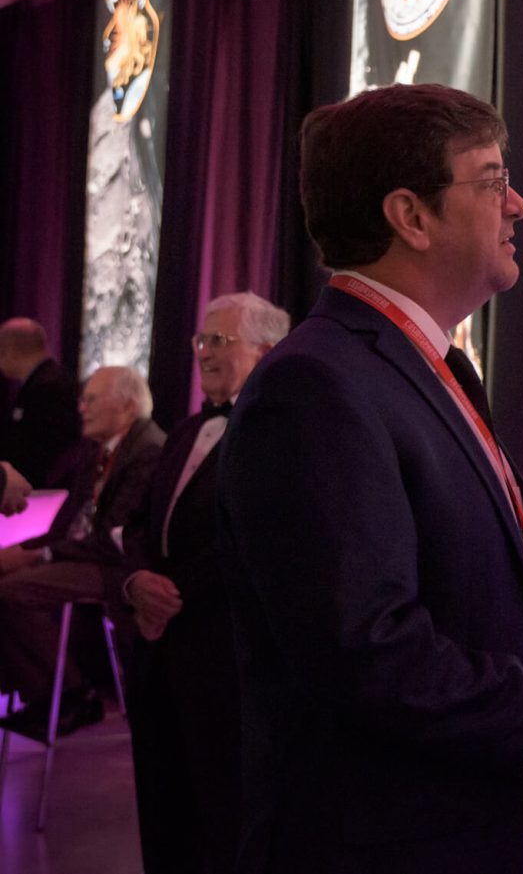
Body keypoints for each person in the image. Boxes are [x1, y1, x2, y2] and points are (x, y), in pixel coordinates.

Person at [217, 83, 523, 874]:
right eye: (491, 179)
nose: (517, 203)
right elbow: (371, 652)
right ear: (411, 216)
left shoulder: (428, 366)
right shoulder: (311, 388)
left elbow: (507, 606)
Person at [121, 291, 290, 874]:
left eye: (220, 340)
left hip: (224, 660)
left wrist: (172, 595)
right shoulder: (184, 430)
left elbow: (254, 538)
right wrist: (136, 581)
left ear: (265, 352)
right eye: (201, 340)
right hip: (157, 655)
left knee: (222, 816)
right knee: (161, 810)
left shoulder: (277, 431)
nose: (204, 352)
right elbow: (137, 522)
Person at [0, 366, 164, 737]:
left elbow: (116, 540)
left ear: (126, 405)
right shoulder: (98, 451)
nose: (81, 408)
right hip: (83, 555)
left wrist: (40, 555)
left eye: (91, 399)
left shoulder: (148, 450)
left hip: (116, 567)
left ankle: (72, 695)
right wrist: (24, 549)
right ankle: (39, 695)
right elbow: (67, 525)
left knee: (10, 591)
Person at [0, 317, 84, 491]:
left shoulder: (49, 387)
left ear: (11, 351)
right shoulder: (42, 382)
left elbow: (50, 452)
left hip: (40, 491)